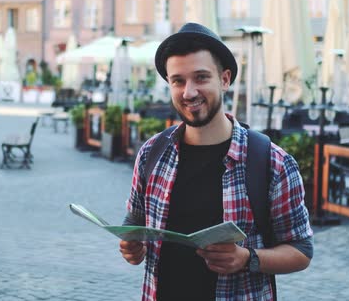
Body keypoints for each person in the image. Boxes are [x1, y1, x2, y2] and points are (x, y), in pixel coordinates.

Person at [119, 22, 313, 301]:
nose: (189, 92)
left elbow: (301, 251)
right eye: (178, 81)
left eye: (200, 77)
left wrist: (247, 258)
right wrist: (131, 245)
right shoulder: (152, 152)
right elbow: (134, 220)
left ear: (224, 79)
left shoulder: (272, 162)